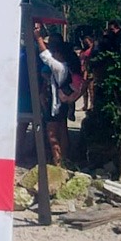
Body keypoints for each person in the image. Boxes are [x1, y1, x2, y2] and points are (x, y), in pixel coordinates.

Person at [34, 26, 81, 165]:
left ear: (60, 54)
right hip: (63, 103)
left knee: (52, 132)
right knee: (62, 128)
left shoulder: (60, 67)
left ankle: (57, 159)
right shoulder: (67, 66)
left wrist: (38, 37)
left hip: (55, 104)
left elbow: (45, 56)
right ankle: (64, 158)